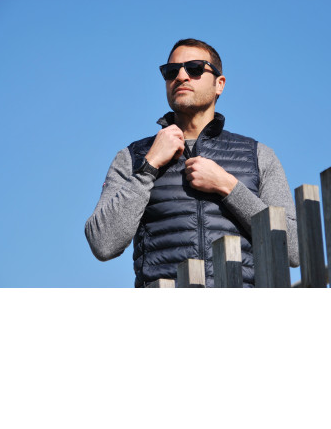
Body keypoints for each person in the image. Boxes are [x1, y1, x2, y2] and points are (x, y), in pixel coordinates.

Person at [85, 38, 299, 287]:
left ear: (220, 84)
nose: (181, 76)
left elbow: (293, 250)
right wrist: (149, 166)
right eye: (171, 71)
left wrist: (228, 186)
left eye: (195, 68)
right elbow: (103, 244)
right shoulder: (133, 156)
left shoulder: (258, 155)